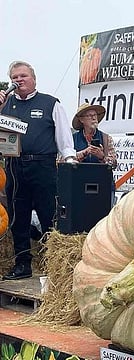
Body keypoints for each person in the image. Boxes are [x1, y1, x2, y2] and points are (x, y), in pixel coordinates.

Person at [0, 60, 76, 280]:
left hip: (43, 165)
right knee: (18, 217)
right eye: (14, 77)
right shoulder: (7, 104)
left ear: (33, 78)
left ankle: (55, 266)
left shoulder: (50, 103)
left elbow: (64, 137)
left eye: (23, 76)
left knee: (49, 215)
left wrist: (69, 158)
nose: (18, 80)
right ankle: (22, 264)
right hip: (14, 166)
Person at [72, 102, 117, 168]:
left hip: (100, 177)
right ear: (81, 120)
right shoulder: (72, 139)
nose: (94, 118)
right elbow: (62, 161)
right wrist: (84, 153)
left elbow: (114, 165)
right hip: (78, 177)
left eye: (95, 115)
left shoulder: (106, 138)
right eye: (89, 115)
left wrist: (102, 156)